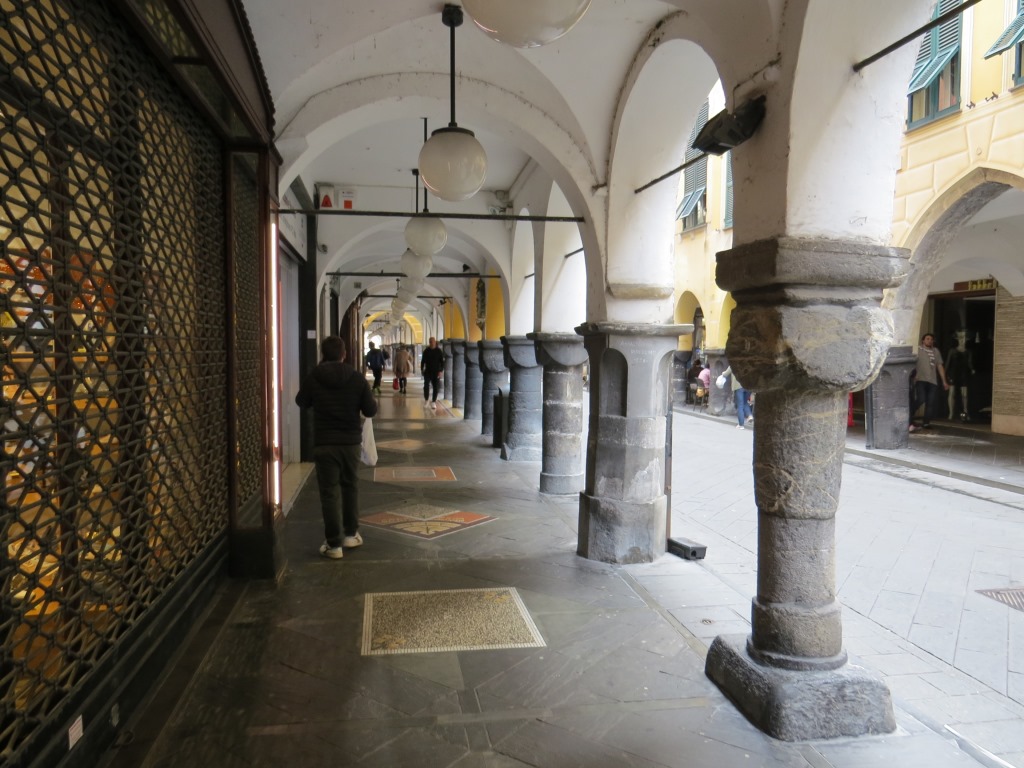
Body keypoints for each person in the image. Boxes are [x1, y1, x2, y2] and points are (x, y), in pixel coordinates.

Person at [296, 335, 377, 559]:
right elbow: (370, 410)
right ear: (344, 354)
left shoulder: (315, 376)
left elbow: (301, 401)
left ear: (323, 354)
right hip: (350, 443)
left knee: (329, 493)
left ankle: (334, 545)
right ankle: (351, 534)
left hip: (324, 442)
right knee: (350, 487)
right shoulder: (356, 378)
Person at [910, 332, 948, 431]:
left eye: (931, 339)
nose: (929, 341)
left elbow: (939, 366)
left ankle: (926, 423)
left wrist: (944, 381)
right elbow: (911, 362)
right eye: (927, 339)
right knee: (921, 398)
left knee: (930, 402)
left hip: (932, 380)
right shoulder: (918, 349)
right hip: (920, 379)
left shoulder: (936, 351)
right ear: (923, 340)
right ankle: (909, 415)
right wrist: (913, 375)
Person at [944, 331, 974, 422]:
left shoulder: (968, 351)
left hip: (963, 374)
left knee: (964, 394)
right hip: (953, 373)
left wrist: (972, 369)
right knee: (952, 392)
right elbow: (947, 363)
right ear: (957, 339)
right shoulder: (952, 351)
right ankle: (951, 413)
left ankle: (965, 411)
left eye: (964, 338)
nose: (962, 340)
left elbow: (969, 363)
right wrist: (945, 375)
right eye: (960, 338)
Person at [420, 336, 445, 410]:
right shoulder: (426, 351)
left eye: (433, 341)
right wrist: (422, 369)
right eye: (430, 342)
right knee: (426, 386)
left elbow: (442, 362)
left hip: (436, 372)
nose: (432, 343)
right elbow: (423, 361)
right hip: (427, 371)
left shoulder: (439, 351)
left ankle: (433, 401)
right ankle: (426, 400)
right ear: (429, 342)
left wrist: (441, 371)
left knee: (435, 387)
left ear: (435, 342)